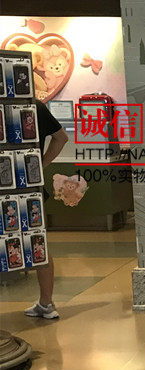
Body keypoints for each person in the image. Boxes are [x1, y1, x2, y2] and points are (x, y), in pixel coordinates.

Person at [24, 99, 68, 319]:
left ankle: (46, 304)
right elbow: (61, 137)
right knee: (38, 242)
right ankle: (46, 303)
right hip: (30, 186)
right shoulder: (34, 105)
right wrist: (41, 165)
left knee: (37, 242)